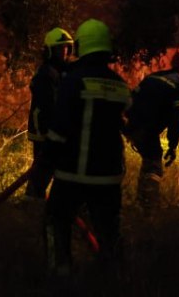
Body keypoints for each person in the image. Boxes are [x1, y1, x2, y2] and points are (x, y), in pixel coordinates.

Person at [44, 18, 130, 281]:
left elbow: (59, 129)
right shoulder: (119, 83)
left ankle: (61, 272)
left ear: (82, 46)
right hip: (109, 176)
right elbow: (129, 123)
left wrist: (43, 167)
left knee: (57, 220)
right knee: (108, 228)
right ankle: (110, 276)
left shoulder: (73, 80)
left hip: (73, 173)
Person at [124, 49, 179, 209]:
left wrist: (129, 126)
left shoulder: (153, 77)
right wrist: (172, 145)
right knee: (154, 163)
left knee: (150, 156)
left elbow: (130, 100)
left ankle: (141, 198)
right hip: (147, 129)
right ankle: (149, 204)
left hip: (131, 125)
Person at [25, 26, 74, 202]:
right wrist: (49, 134)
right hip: (43, 134)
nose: (65, 52)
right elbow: (47, 108)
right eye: (62, 48)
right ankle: (32, 203)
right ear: (51, 51)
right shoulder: (46, 74)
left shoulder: (61, 72)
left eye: (68, 47)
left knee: (51, 171)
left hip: (55, 133)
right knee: (42, 171)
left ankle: (43, 201)